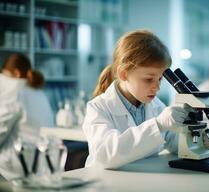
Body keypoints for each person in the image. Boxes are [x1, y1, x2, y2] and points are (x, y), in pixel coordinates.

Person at [83, 30, 194, 169]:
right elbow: (105, 155)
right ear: (124, 74)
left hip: (141, 182)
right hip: (106, 183)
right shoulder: (99, 107)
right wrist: (157, 125)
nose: (157, 87)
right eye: (149, 79)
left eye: (160, 79)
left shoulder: (156, 105)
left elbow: (173, 142)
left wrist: (194, 134)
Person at [0, 53, 54, 136]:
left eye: (4, 75)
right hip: (42, 146)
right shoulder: (39, 93)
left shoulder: (15, 93)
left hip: (26, 147)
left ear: (16, 73)